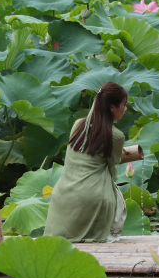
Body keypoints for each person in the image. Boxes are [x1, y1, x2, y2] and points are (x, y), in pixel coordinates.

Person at [45, 82, 128, 242]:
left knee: (59, 244)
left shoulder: (78, 125)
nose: (125, 109)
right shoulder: (116, 136)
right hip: (93, 199)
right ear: (112, 107)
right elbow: (112, 165)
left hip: (62, 195)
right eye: (123, 105)